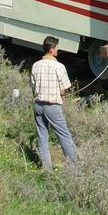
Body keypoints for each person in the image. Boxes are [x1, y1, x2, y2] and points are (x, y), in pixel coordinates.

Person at [30, 36, 78, 170]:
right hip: (53, 107)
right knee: (64, 136)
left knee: (42, 136)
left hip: (38, 105)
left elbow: (33, 86)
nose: (58, 49)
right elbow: (64, 88)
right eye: (57, 47)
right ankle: (75, 167)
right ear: (51, 50)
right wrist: (63, 96)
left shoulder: (35, 65)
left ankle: (47, 169)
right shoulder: (59, 67)